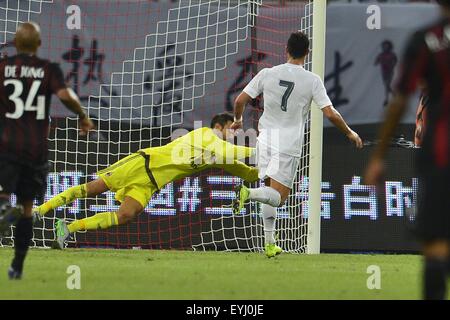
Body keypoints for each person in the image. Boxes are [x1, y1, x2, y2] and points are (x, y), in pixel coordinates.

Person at [34, 113, 259, 249]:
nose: (233, 135)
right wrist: (261, 150)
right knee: (93, 188)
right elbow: (233, 152)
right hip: (143, 164)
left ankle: (67, 228)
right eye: (232, 130)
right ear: (219, 126)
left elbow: (247, 173)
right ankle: (41, 210)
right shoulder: (207, 135)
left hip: (150, 183)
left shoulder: (218, 154)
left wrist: (273, 167)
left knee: (126, 215)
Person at [230, 32, 363, 258]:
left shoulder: (267, 73)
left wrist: (238, 120)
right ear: (307, 53)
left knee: (270, 189)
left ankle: (270, 243)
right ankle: (247, 193)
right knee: (279, 197)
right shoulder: (312, 80)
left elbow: (240, 100)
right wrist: (349, 132)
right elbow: (330, 113)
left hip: (265, 139)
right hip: (287, 143)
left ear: (286, 50)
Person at [365, 0, 450, 300]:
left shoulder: (426, 40)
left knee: (438, 243)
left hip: (441, 154)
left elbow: (400, 100)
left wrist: (378, 157)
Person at [0, 22, 95, 279]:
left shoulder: (3, 67)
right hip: (36, 150)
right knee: (28, 208)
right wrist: (83, 116)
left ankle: (4, 209)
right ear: (39, 45)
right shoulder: (48, 69)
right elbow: (66, 96)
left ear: (16, 44)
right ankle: (17, 265)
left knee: (4, 191)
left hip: (8, 144)